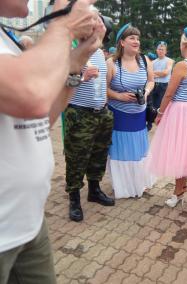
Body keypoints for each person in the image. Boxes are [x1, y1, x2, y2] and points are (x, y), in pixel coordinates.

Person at [0, 0, 103, 282]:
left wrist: (78, 60)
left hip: (28, 221)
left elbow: (41, 119)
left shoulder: (6, 41)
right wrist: (65, 24)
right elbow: (30, 95)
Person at [147, 27, 187, 207]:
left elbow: (169, 93)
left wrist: (160, 113)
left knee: (179, 151)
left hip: (181, 111)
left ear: (184, 44)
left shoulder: (183, 65)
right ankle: (180, 189)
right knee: (186, 152)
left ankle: (178, 192)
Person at [64, 10, 115, 223]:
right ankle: (74, 200)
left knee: (98, 155)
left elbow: (103, 81)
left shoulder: (100, 52)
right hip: (79, 114)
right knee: (76, 158)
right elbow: (62, 83)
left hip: (100, 114)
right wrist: (82, 78)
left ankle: (94, 190)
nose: (98, 27)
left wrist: (104, 103)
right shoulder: (73, 50)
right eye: (94, 23)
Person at [106, 24, 155, 198]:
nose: (136, 41)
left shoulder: (144, 60)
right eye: (132, 38)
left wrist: (146, 92)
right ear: (122, 42)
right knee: (122, 149)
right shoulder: (112, 63)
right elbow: (102, 89)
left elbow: (151, 81)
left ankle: (139, 183)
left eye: (137, 38)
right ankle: (123, 186)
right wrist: (119, 96)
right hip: (119, 115)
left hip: (139, 115)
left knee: (138, 149)